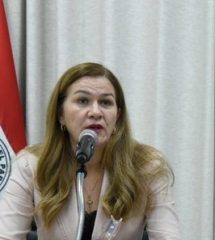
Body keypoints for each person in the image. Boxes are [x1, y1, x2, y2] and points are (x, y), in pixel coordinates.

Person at [0, 62, 181, 239]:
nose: (96, 112)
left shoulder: (147, 167)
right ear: (60, 115)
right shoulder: (31, 165)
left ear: (117, 117)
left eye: (105, 102)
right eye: (83, 101)